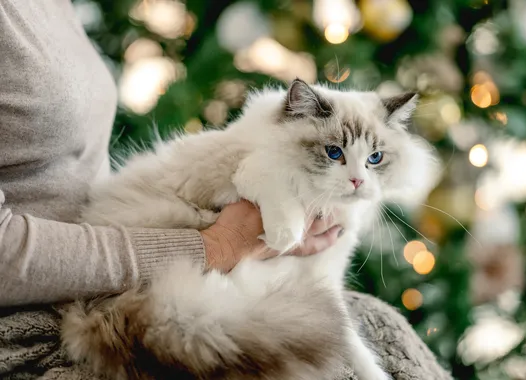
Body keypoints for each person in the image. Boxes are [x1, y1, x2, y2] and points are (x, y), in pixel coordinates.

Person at [0, 1, 453, 379]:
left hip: (110, 252)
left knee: (385, 338)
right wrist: (221, 244)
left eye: (374, 160)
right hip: (63, 298)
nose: (357, 177)